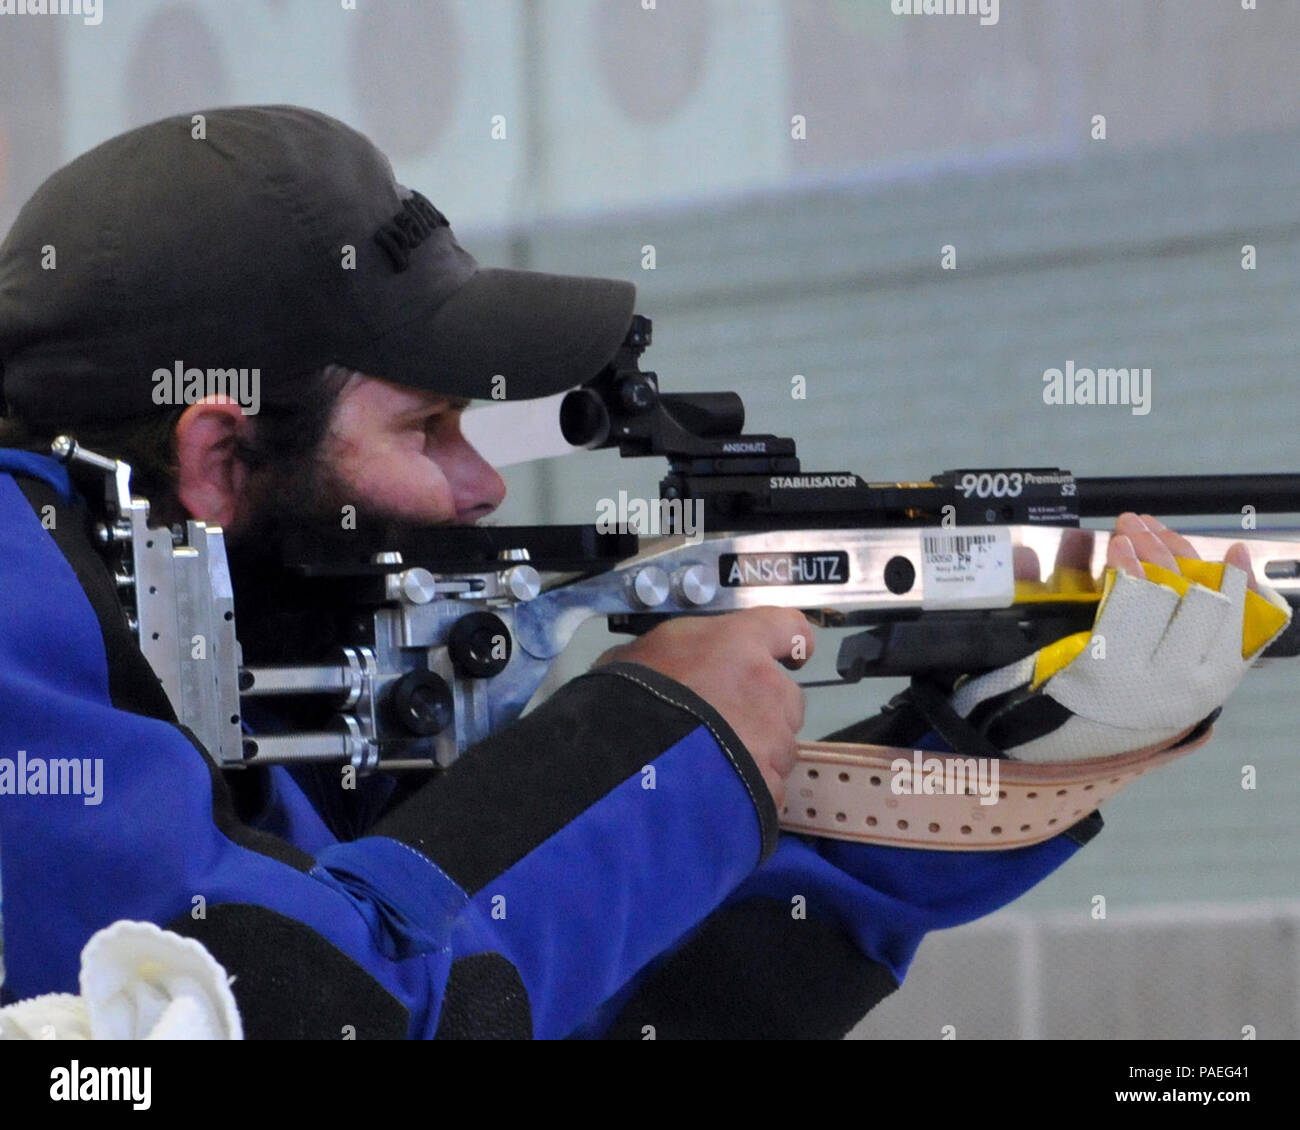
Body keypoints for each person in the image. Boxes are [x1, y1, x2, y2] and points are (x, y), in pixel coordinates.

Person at [0, 106, 1286, 1039]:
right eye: (426, 428)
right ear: (220, 455)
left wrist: (1000, 751)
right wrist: (653, 732)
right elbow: (311, 1010)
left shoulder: (208, 681)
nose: (483, 487)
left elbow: (603, 1003)